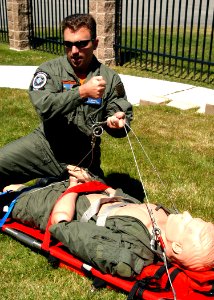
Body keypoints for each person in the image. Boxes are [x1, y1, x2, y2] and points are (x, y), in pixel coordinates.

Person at [2, 166, 214, 278]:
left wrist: (73, 187)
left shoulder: (129, 254)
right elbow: (126, 204)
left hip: (52, 203)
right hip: (85, 190)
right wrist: (94, 183)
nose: (186, 213)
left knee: (10, 191)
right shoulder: (166, 221)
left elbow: (61, 224)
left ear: (176, 247)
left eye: (187, 224)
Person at [0, 13, 133, 191]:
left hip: (84, 157)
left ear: (96, 43)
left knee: (94, 203)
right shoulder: (49, 70)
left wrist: (117, 123)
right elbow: (44, 107)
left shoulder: (110, 79)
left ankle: (50, 184)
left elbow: (120, 114)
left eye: (81, 44)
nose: (74, 51)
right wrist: (82, 92)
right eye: (68, 44)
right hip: (45, 146)